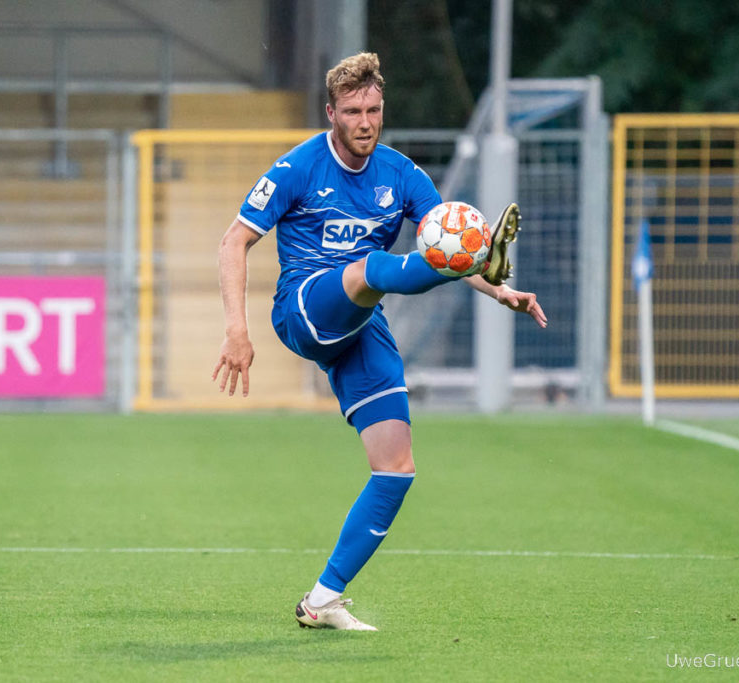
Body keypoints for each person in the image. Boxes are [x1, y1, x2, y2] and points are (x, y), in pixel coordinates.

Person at [212, 52, 547, 631]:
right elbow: (232, 243)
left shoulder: (403, 175)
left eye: (373, 110)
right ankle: (484, 255)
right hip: (304, 309)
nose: (365, 121)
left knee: (396, 467)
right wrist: (236, 331)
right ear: (331, 113)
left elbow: (446, 249)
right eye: (352, 111)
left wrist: (500, 291)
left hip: (362, 325)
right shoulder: (296, 168)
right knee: (368, 266)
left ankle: (322, 600)